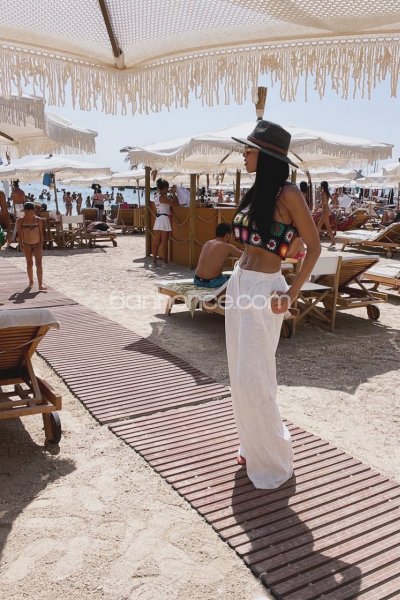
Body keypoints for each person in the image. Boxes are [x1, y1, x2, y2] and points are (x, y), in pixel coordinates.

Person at [227, 120, 321, 489]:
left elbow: (313, 247)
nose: (243, 154)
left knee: (256, 379)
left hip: (266, 291)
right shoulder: (257, 192)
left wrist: (291, 294)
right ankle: (251, 445)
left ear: (265, 156)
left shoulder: (289, 193)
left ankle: (274, 458)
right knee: (240, 376)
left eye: (248, 149)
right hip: (240, 283)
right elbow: (253, 243)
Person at [194, 223, 243, 288]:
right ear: (227, 236)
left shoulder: (208, 243)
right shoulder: (227, 246)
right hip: (211, 283)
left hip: (197, 280)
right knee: (237, 279)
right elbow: (244, 255)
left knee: (225, 276)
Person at [16, 202, 46, 290]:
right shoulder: (20, 221)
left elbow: (41, 234)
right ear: (24, 211)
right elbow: (20, 233)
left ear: (34, 211)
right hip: (26, 244)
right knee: (29, 263)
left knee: (39, 264)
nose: (29, 215)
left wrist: (41, 245)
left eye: (31, 212)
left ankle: (40, 284)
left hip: (37, 244)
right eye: (27, 213)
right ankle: (31, 282)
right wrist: (20, 243)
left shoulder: (38, 220)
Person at [152, 178, 177, 265]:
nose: (167, 190)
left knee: (157, 241)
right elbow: (174, 203)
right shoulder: (163, 198)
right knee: (164, 242)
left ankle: (154, 260)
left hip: (159, 219)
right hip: (164, 219)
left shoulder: (157, 196)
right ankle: (165, 261)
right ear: (164, 188)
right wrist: (173, 193)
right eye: (167, 188)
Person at [316, 181, 336, 249]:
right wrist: (331, 207)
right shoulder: (327, 193)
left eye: (321, 185)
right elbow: (333, 200)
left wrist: (317, 208)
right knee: (328, 227)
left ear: (323, 186)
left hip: (325, 211)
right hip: (326, 211)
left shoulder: (323, 193)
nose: (320, 186)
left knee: (319, 226)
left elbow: (323, 203)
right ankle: (333, 241)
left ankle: (315, 240)